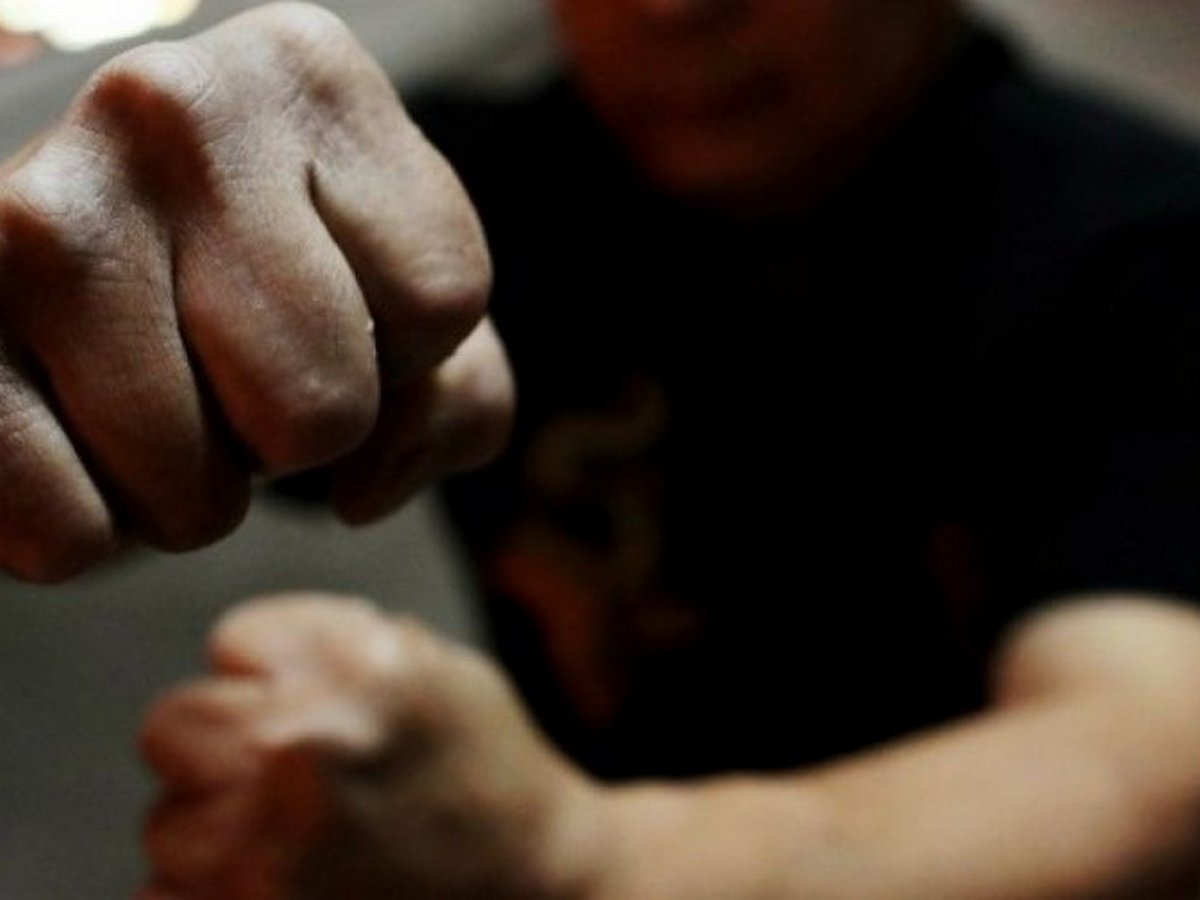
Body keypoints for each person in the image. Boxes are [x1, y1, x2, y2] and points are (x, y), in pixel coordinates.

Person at [0, 0, 1197, 897]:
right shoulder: (503, 175)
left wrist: (584, 855)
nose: (672, 9)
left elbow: (1144, 749)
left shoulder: (1137, 242)